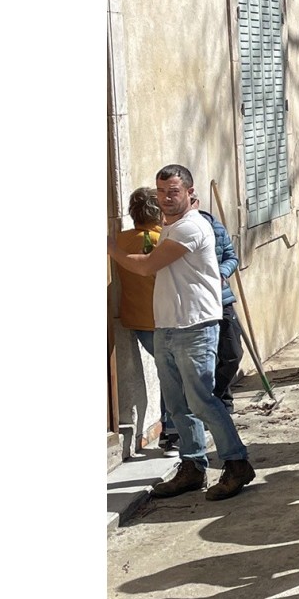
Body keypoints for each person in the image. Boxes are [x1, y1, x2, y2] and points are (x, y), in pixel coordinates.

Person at [109, 164, 256, 501]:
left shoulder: (191, 227)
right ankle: (192, 466)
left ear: (190, 193)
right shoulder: (171, 228)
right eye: (161, 192)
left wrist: (111, 248)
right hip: (169, 327)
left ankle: (236, 463)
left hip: (195, 327)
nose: (166, 199)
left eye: (173, 192)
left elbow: (147, 267)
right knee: (178, 405)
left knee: (202, 401)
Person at [112, 187, 174, 448]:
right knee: (173, 377)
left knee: (167, 374)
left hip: (136, 319)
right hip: (162, 320)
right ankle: (172, 431)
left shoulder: (119, 240)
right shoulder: (162, 239)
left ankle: (171, 428)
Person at [190, 192, 244, 411]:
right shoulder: (177, 232)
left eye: (192, 201)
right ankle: (220, 403)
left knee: (233, 353)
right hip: (197, 305)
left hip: (222, 300)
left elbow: (232, 257)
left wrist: (222, 272)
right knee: (206, 358)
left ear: (196, 202)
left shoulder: (215, 227)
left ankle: (219, 395)